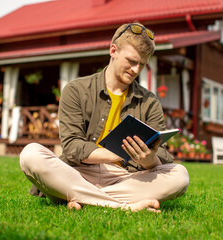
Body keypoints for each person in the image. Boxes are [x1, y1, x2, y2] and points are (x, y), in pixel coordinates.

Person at [20, 23, 189, 212]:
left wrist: (148, 159)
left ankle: (85, 198)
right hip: (78, 172)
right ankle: (124, 207)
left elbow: (163, 157)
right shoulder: (76, 90)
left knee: (180, 175)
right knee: (30, 154)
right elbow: (72, 147)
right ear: (113, 50)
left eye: (142, 64)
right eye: (131, 61)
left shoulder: (150, 102)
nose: (135, 69)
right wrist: (120, 152)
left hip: (126, 178)